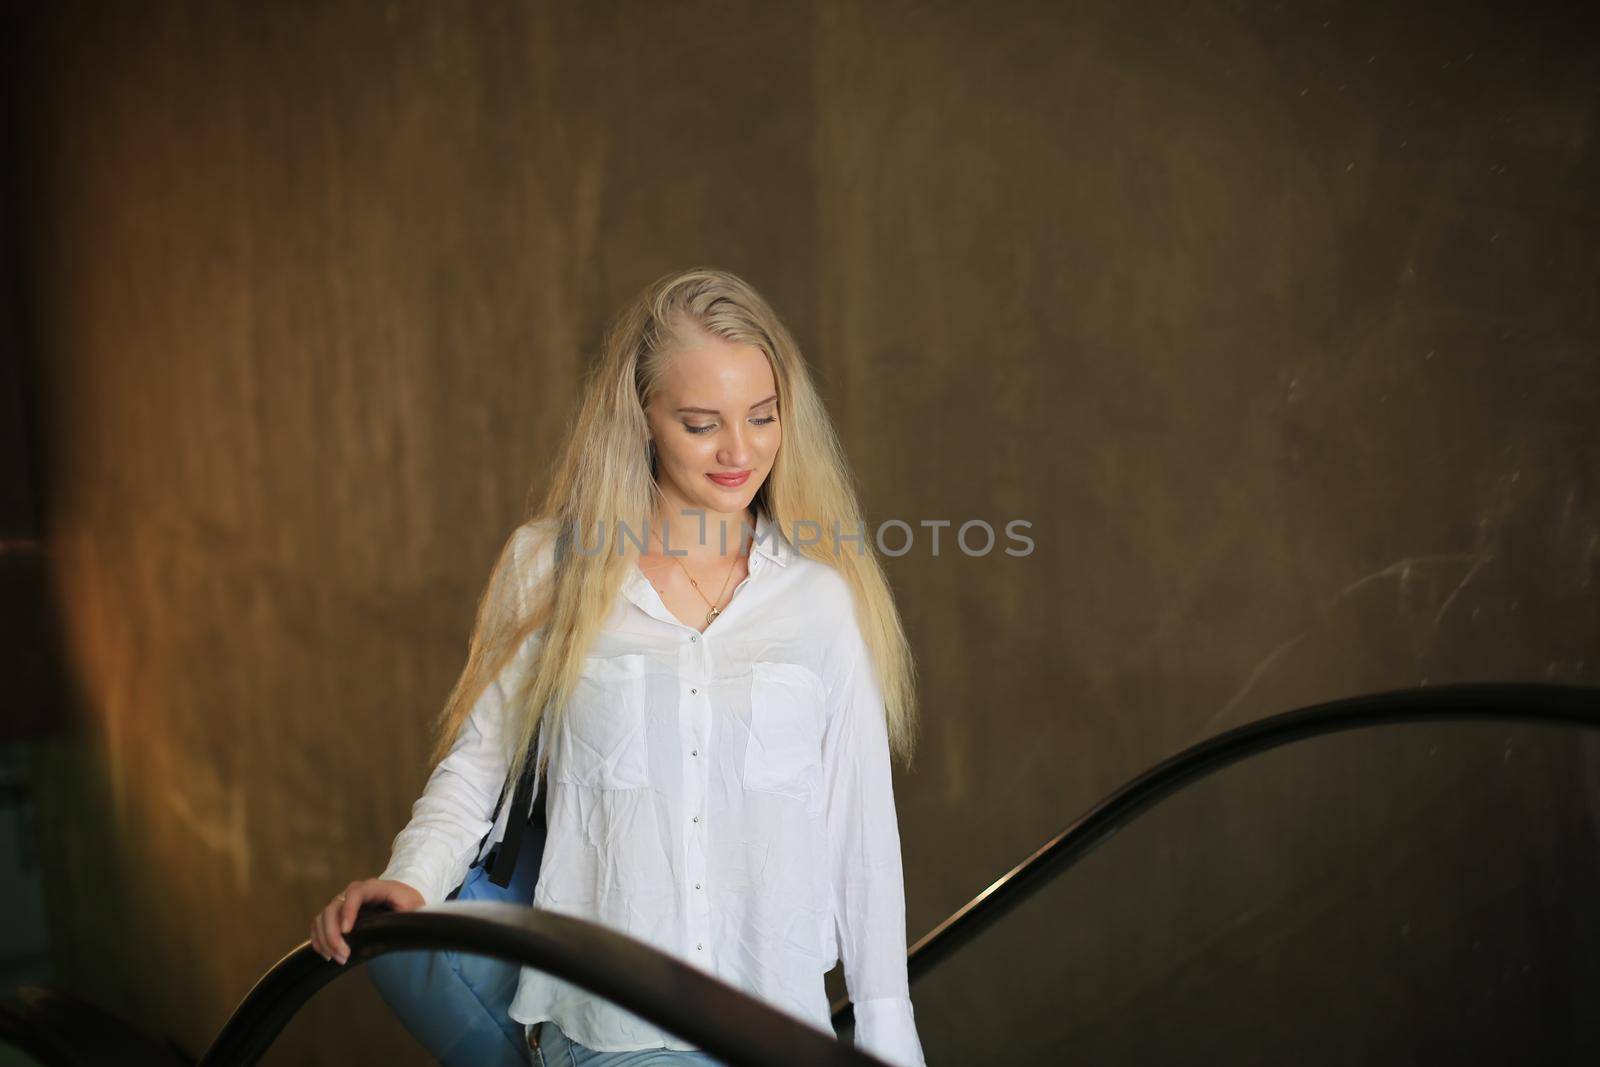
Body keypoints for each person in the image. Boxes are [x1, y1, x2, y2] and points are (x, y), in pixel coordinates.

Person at [309, 267, 926, 1067]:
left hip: (783, 1034)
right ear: (641, 417)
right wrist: (410, 882)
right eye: (702, 423)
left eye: (763, 417)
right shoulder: (548, 569)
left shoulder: (822, 600)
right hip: (612, 1039)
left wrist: (889, 1036)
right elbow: (479, 767)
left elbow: (861, 836)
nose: (741, 451)